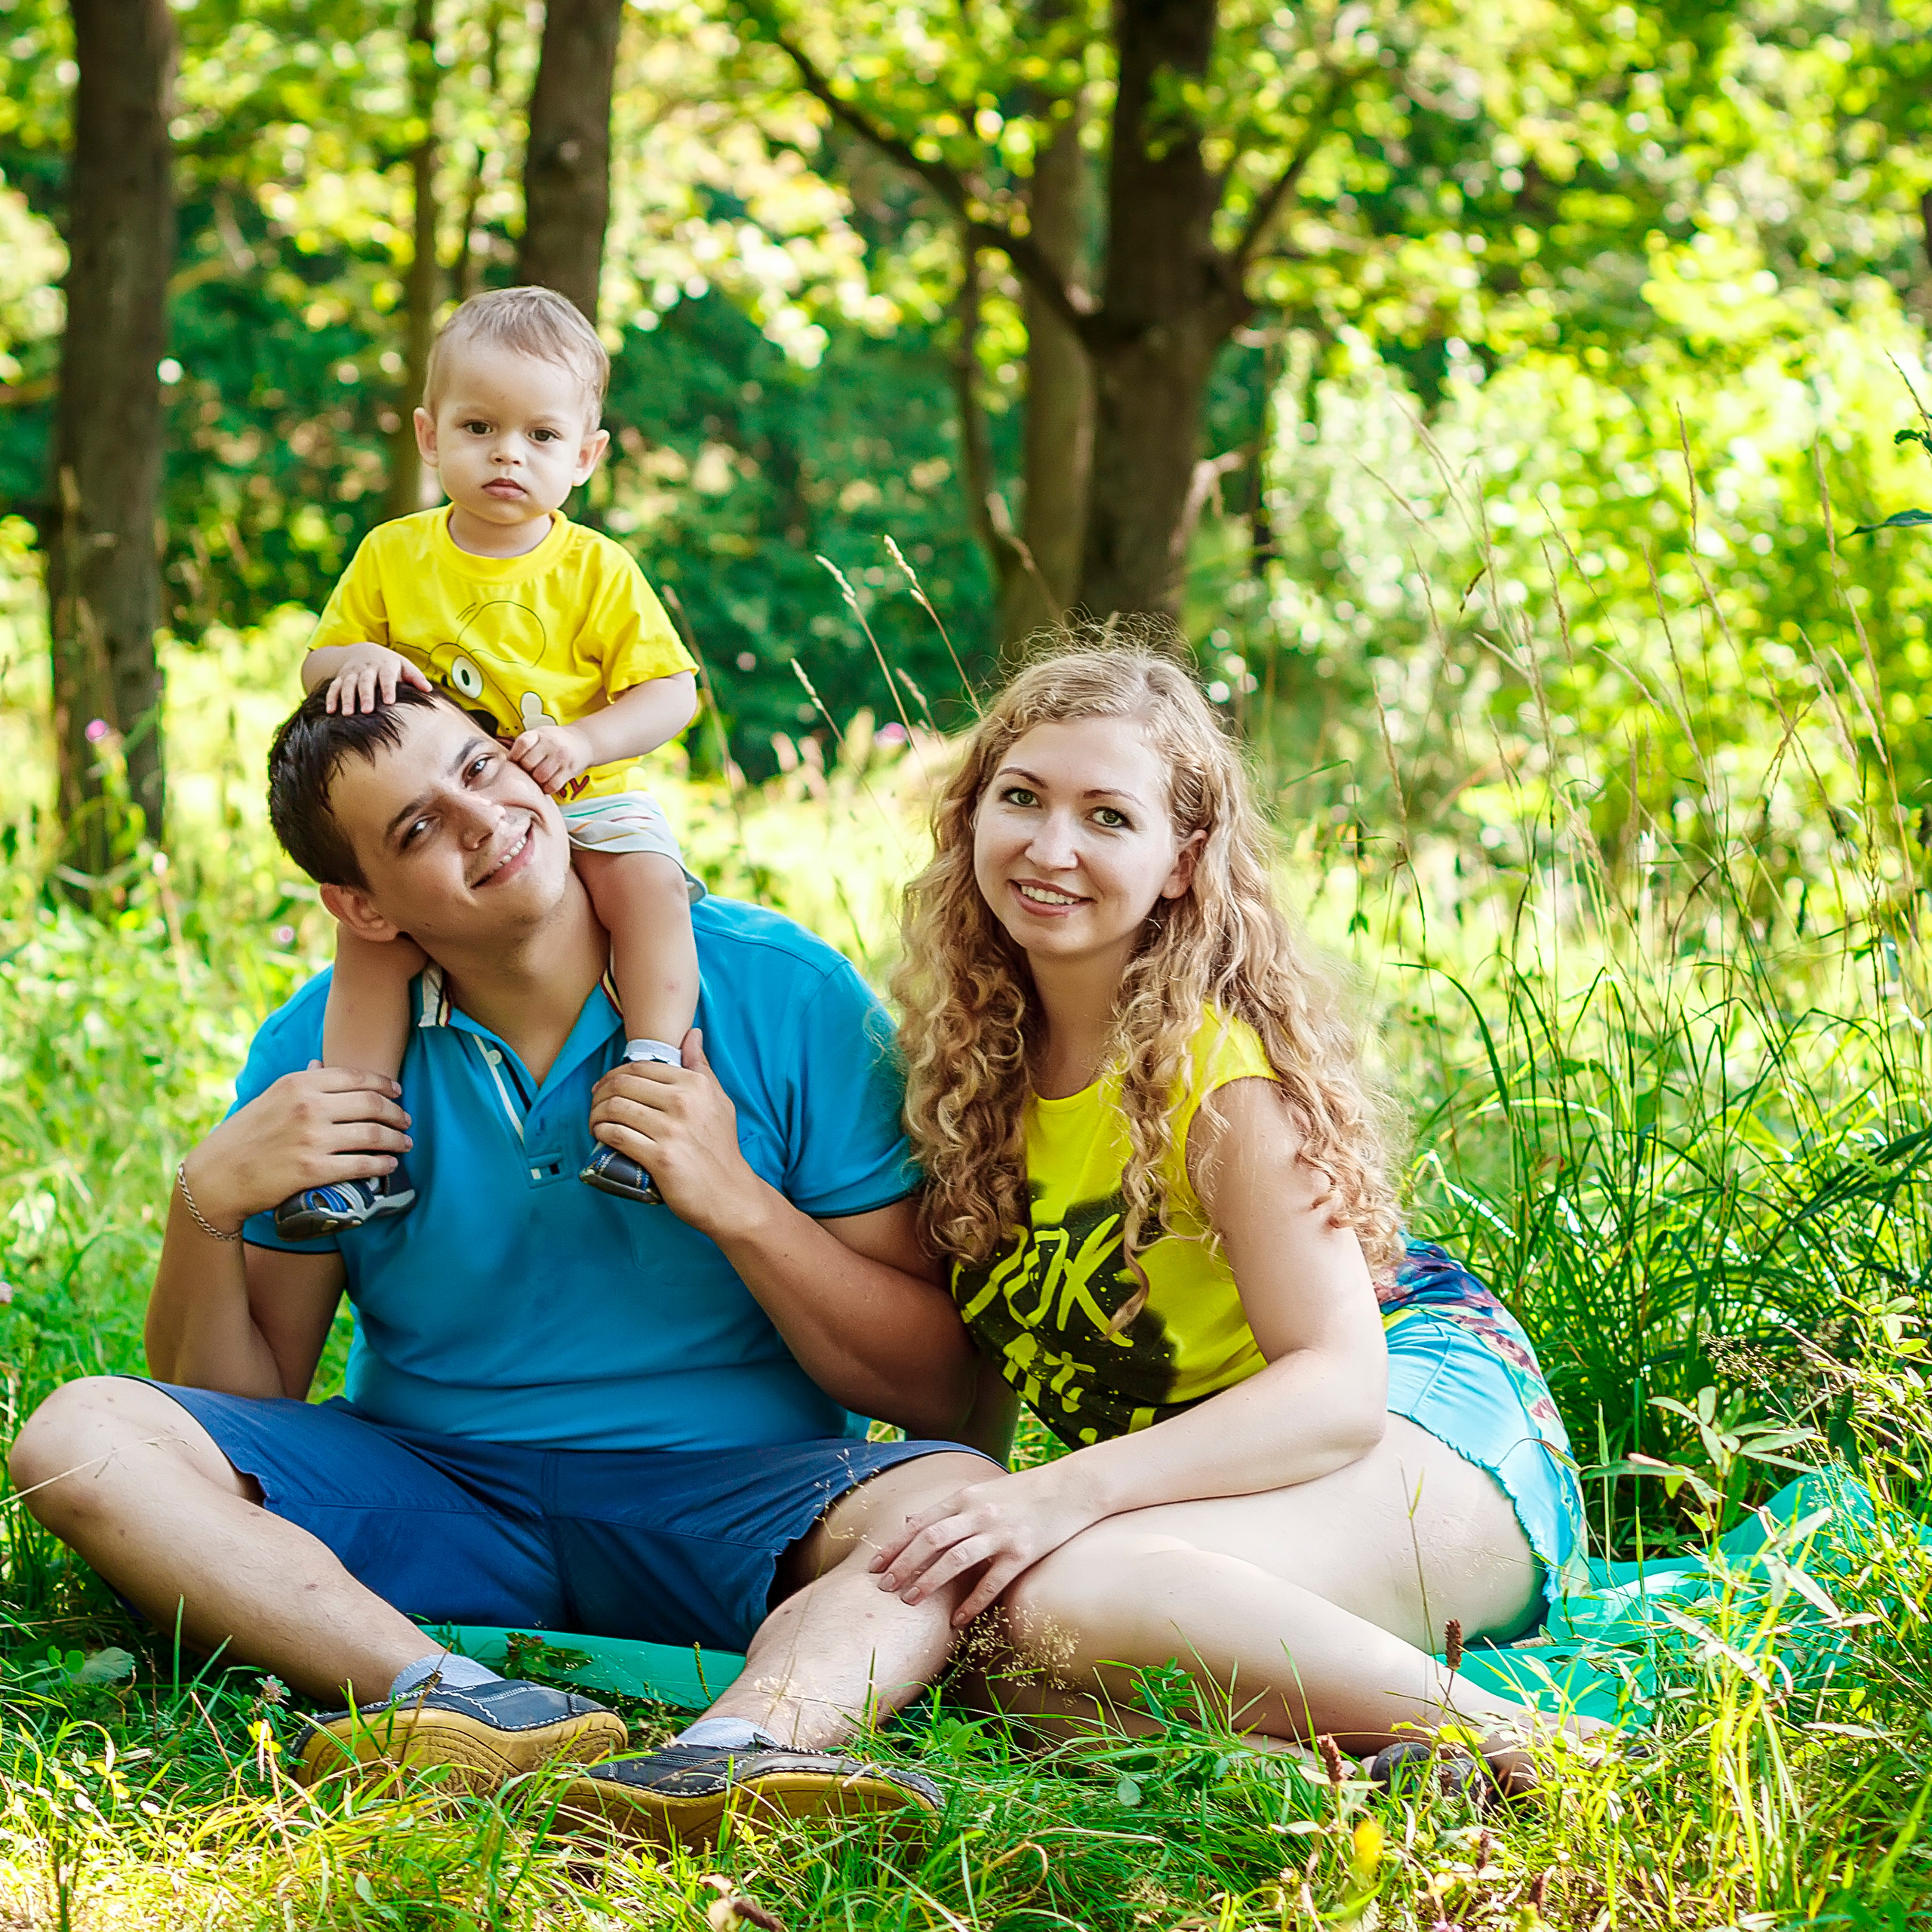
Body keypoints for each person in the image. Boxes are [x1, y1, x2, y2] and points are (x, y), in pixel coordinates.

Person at [8, 684, 997, 1845]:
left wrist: (734, 1200)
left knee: (957, 1503)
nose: (483, 819)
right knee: (78, 1437)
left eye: (480, 767)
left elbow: (943, 1393)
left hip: (733, 1494)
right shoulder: (320, 1049)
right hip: (428, 1488)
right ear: (359, 906)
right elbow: (236, 1405)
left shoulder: (779, 991)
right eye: (417, 828)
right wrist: (204, 1200)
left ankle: (736, 1752)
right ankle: (457, 1703)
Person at [874, 638, 1597, 1793]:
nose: (1050, 848)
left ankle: (1530, 1750)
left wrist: (1052, 1497)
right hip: (1221, 1487)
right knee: (978, 1644)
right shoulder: (969, 1070)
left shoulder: (1216, 1070)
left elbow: (1336, 1389)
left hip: (1424, 1431)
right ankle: (1332, 1782)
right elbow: (985, 1379)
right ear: (972, 818)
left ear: (1181, 860)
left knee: (1059, 1596)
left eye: (1108, 816)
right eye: (1021, 798)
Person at [286, 285, 703, 1238]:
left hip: (584, 793)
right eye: (480, 426)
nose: (509, 453)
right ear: (431, 437)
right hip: (445, 819)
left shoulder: (595, 569)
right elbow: (319, 662)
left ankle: (649, 1069)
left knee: (647, 890)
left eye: (541, 436)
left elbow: (671, 691)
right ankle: (357, 1144)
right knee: (372, 944)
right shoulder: (396, 553)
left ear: (585, 457)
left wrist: (587, 740)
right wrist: (362, 661)